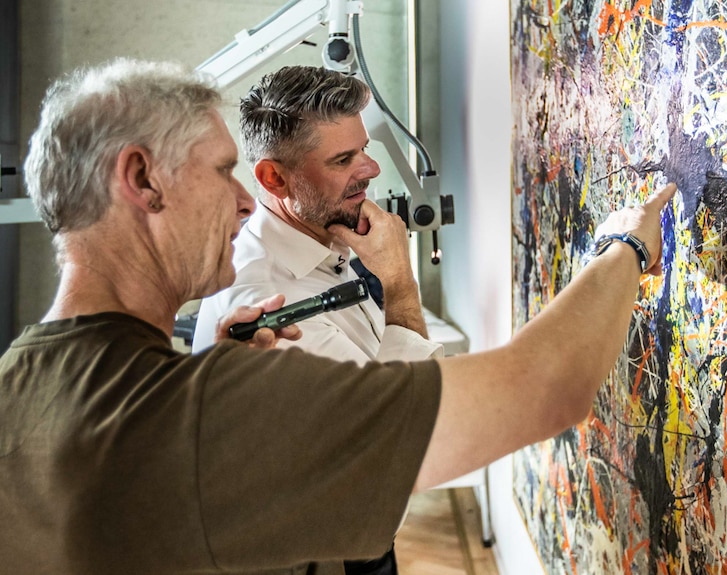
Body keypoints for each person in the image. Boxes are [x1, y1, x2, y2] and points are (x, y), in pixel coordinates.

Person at [0, 58, 676, 575]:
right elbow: (547, 387)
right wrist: (628, 245)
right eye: (222, 171)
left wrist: (212, 374)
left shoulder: (18, 378)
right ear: (143, 179)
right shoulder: (208, 409)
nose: (241, 204)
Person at [191, 65, 442, 575]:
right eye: (343, 159)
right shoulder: (269, 310)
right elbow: (390, 449)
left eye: (364, 149)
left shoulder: (328, 234)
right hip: (327, 550)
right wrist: (399, 284)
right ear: (273, 178)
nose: (370, 169)